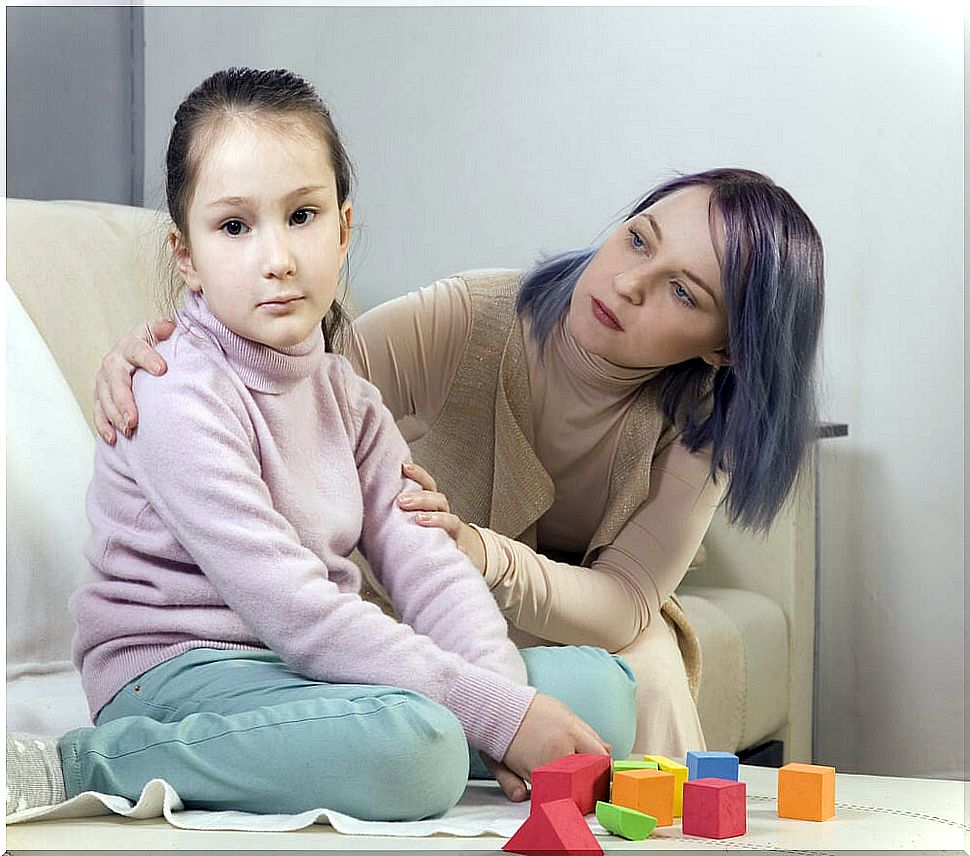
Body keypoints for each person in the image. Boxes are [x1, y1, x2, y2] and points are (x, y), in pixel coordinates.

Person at [6, 67, 644, 821]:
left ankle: (393, 730)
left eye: (302, 215)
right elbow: (297, 611)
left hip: (306, 669)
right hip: (180, 674)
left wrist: (503, 702)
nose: (276, 257)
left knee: (601, 692)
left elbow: (429, 571)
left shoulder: (347, 397)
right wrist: (501, 718)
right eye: (235, 227)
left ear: (343, 230)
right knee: (422, 752)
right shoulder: (176, 392)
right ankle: (84, 761)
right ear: (187, 255)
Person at [95, 165, 824, 755]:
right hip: (420, 598)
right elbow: (293, 385)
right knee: (457, 711)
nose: (629, 283)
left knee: (650, 670)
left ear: (722, 348)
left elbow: (624, 602)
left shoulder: (701, 420)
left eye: (681, 291)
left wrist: (485, 553)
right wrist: (169, 352)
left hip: (547, 605)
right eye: (639, 240)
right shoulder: (471, 318)